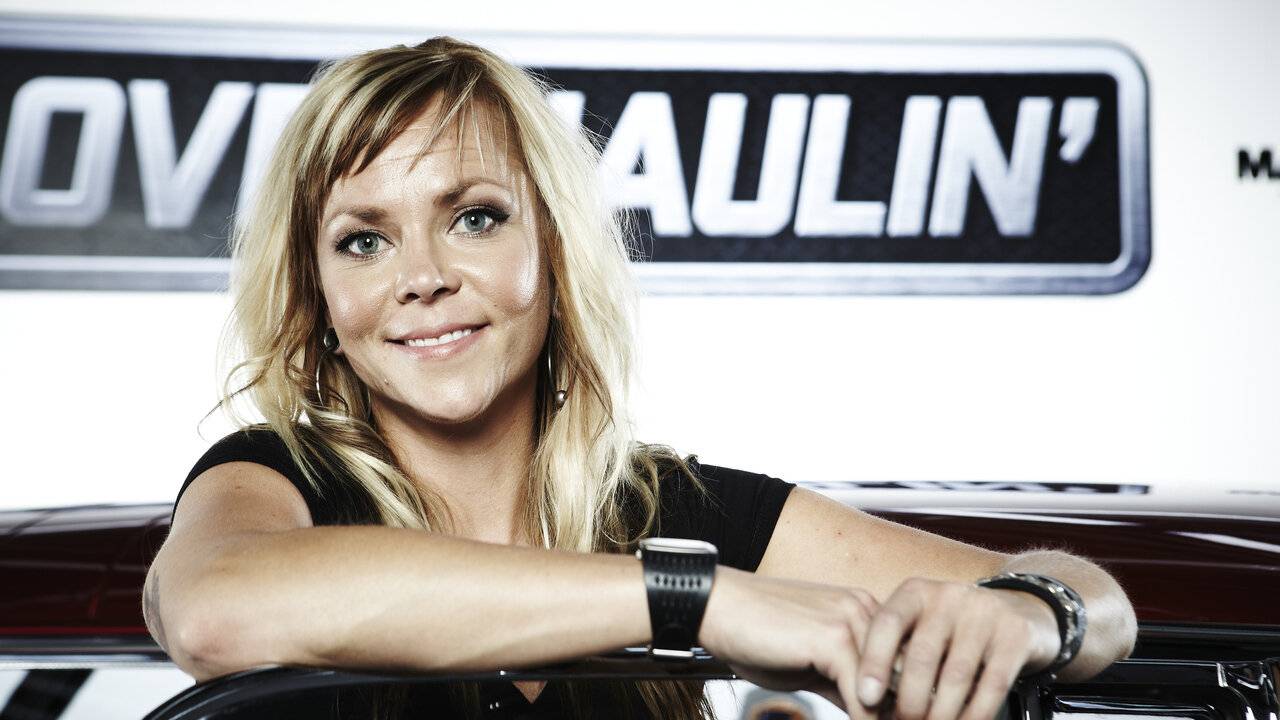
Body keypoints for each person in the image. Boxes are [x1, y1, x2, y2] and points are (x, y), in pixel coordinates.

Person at [142, 35, 1138, 720]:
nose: (423, 277)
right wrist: (691, 600)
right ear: (317, 295)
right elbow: (212, 612)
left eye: (474, 217)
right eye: (363, 239)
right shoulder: (276, 479)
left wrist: (1030, 612)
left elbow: (1100, 605)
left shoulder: (662, 505)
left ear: (554, 251)